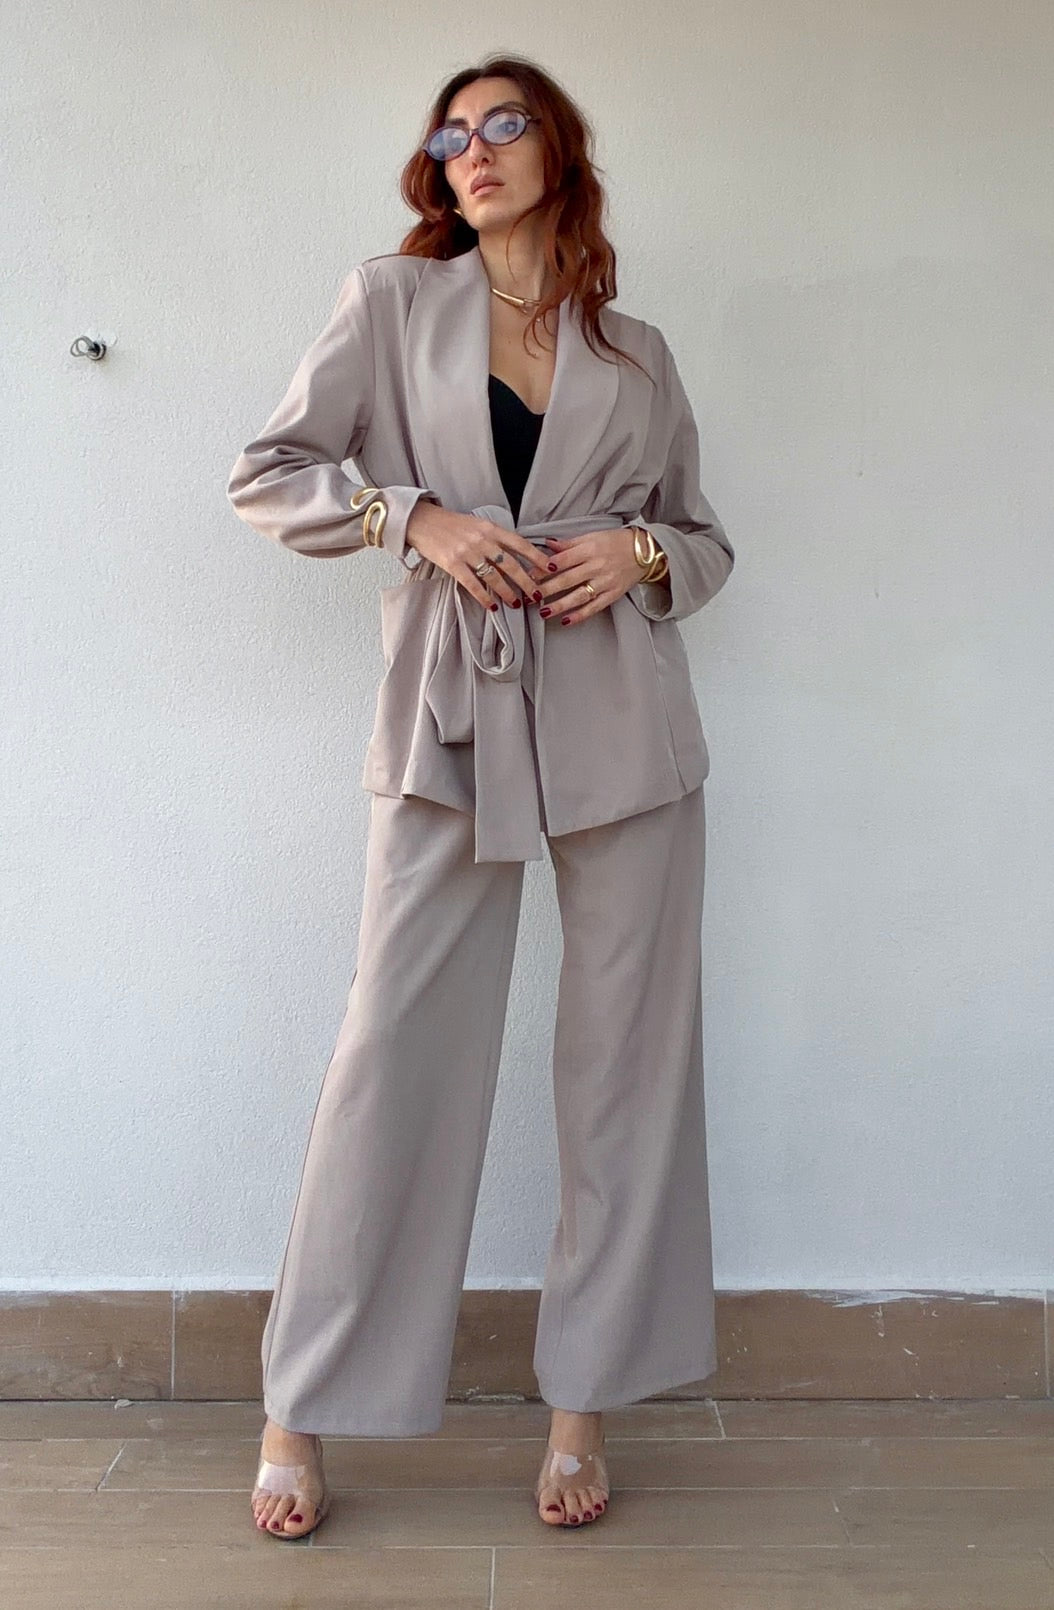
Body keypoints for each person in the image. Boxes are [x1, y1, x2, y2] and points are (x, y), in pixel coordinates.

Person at [227, 52, 734, 1541]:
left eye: (503, 124)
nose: (474, 150)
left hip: (624, 722)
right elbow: (269, 473)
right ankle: (300, 1404)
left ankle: (582, 1410)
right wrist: (415, 518)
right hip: (449, 715)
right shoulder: (393, 303)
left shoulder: (636, 351)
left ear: (558, 148)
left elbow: (703, 537)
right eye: (451, 136)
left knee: (626, 1063)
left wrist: (642, 554)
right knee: (393, 1049)